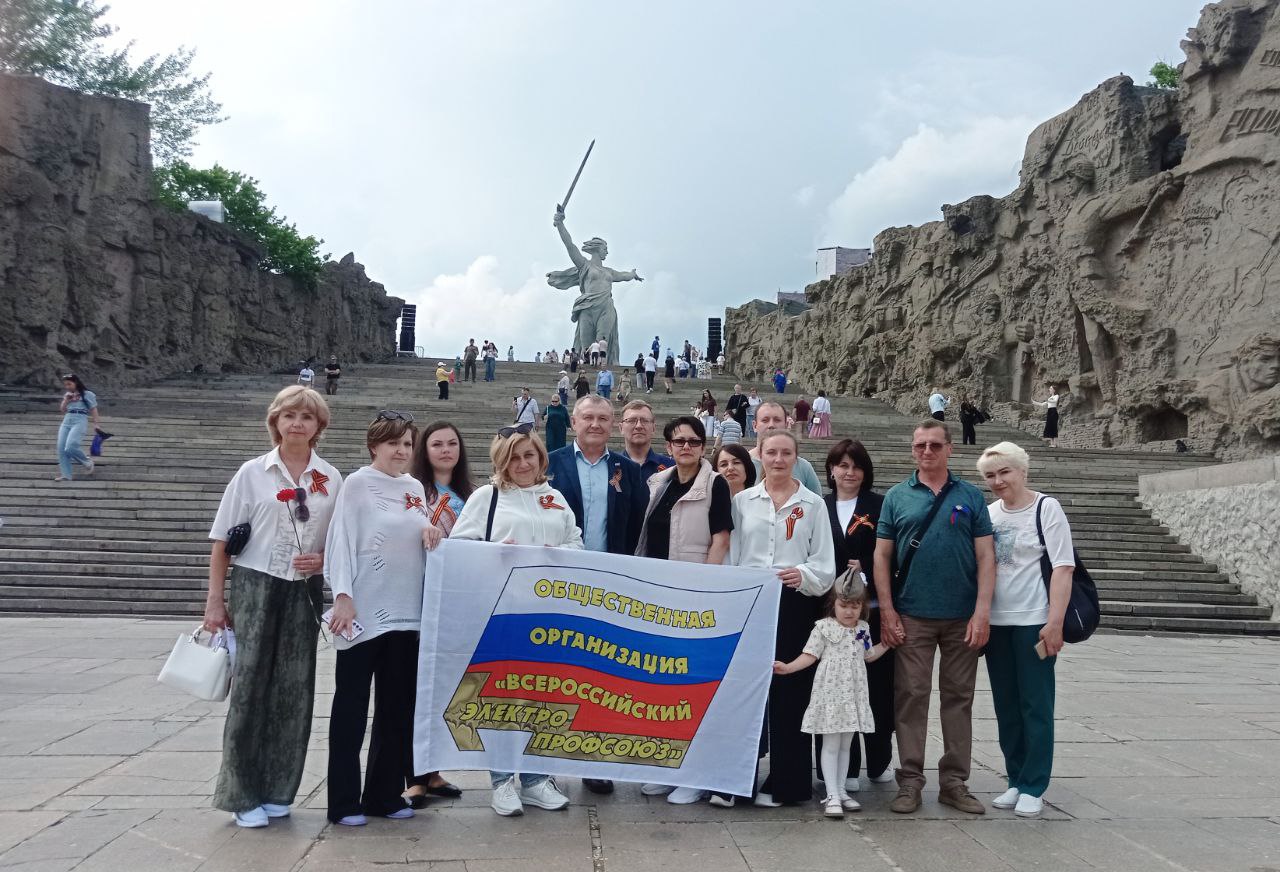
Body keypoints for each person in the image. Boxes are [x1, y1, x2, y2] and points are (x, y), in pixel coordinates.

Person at [203, 386, 342, 828]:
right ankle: (241, 793)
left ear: (319, 426)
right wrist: (215, 601)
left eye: (307, 416)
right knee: (249, 689)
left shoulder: (330, 477)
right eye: (289, 415)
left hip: (303, 589)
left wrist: (322, 559)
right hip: (255, 585)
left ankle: (279, 788)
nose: (297, 423)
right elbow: (222, 541)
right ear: (276, 421)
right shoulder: (253, 473)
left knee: (295, 690)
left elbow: (339, 540)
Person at [451, 427, 582, 816]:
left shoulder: (554, 497)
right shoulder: (487, 497)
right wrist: (494, 551)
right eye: (514, 457)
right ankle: (502, 781)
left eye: (529, 455)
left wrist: (559, 552)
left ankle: (537, 779)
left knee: (544, 695)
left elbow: (577, 542)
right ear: (501, 462)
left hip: (549, 613)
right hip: (502, 612)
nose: (523, 464)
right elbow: (458, 547)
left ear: (541, 457)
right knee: (503, 697)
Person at [873, 419, 995, 816]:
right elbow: (882, 557)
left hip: (962, 616)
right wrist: (888, 610)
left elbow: (986, 556)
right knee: (911, 697)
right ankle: (910, 780)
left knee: (959, 699)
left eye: (935, 445)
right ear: (912, 449)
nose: (927, 451)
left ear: (950, 449)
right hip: (913, 614)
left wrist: (982, 611)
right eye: (920, 445)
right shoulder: (897, 496)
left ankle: (954, 782)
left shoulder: (970, 495)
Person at [325, 412, 441, 826]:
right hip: (364, 612)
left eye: (408, 444)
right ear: (374, 445)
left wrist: (431, 532)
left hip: (407, 614)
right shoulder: (357, 484)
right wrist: (343, 596)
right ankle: (342, 802)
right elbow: (340, 541)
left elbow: (415, 533)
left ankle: (383, 795)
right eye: (393, 443)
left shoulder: (414, 487)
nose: (402, 451)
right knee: (351, 708)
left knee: (397, 708)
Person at [545, 395, 648, 795]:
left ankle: (594, 759)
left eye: (603, 418)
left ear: (612, 424)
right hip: (557, 585)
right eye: (587, 417)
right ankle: (544, 764)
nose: (595, 424)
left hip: (609, 586)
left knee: (601, 677)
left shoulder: (626, 469)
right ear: (573, 421)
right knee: (553, 673)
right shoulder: (550, 463)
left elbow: (637, 524)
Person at [728, 428, 835, 807]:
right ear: (760, 455)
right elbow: (733, 554)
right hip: (752, 601)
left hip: (794, 601)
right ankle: (735, 780)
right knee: (745, 689)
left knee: (791, 689)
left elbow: (824, 561)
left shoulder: (813, 504)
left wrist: (803, 575)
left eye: (786, 453)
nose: (778, 459)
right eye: (771, 452)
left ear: (796, 457)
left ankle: (788, 782)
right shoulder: (743, 501)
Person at [636, 415, 733, 804]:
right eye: (679, 441)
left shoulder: (715, 484)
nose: (687, 447)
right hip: (657, 594)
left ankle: (696, 772)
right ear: (669, 446)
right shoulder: (658, 482)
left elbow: (721, 539)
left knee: (691, 685)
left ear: (704, 446)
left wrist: (704, 589)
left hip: (692, 595)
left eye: (694, 441)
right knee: (660, 684)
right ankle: (666, 765)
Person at [978, 441, 1075, 818]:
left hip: (1034, 620)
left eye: (1005, 472)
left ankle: (1034, 784)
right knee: (1006, 705)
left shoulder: (1046, 508)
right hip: (998, 622)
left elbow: (1063, 567)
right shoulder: (989, 514)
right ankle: (1015, 778)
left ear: (1022, 471)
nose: (998, 481)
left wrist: (1055, 622)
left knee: (1036, 704)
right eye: (990, 475)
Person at [774, 574, 888, 817]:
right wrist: (788, 667)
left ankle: (841, 790)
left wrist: (888, 644)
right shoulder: (823, 628)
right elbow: (810, 655)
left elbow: (868, 655)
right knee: (831, 745)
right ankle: (832, 794)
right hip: (831, 696)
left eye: (855, 606)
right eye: (844, 605)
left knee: (846, 744)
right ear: (833, 604)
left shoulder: (863, 629)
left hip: (853, 695)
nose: (849, 611)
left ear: (862, 607)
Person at [405, 420, 475, 807]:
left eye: (452, 443)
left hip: (456, 601)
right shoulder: (413, 492)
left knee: (443, 692)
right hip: (416, 598)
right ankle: (413, 777)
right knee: (416, 690)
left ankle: (433, 772)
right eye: (437, 444)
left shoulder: (473, 495)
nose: (446, 450)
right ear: (424, 450)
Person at [819, 439, 893, 793]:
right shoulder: (818, 505)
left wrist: (867, 567)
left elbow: (891, 553)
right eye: (843, 465)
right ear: (831, 470)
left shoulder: (880, 505)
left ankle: (879, 760)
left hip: (871, 610)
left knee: (876, 687)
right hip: (830, 610)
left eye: (856, 466)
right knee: (833, 687)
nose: (849, 473)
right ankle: (841, 768)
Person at [748, 403, 823, 494]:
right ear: (754, 426)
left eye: (777, 420)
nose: (771, 425)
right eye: (765, 420)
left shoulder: (803, 467)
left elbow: (816, 500)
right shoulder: (742, 463)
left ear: (786, 424)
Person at [55, 373, 100, 481]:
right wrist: (66, 400)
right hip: (67, 420)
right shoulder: (68, 395)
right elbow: (62, 410)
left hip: (80, 419)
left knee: (71, 446)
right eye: (65, 385)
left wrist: (96, 424)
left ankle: (87, 462)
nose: (67, 387)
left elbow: (93, 409)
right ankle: (66, 475)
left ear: (76, 382)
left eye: (69, 384)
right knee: (61, 448)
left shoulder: (87, 394)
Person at [618, 400, 675, 480]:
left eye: (645, 420)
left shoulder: (672, 467)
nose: (638, 426)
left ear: (653, 428)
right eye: (631, 420)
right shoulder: (609, 466)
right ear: (621, 428)